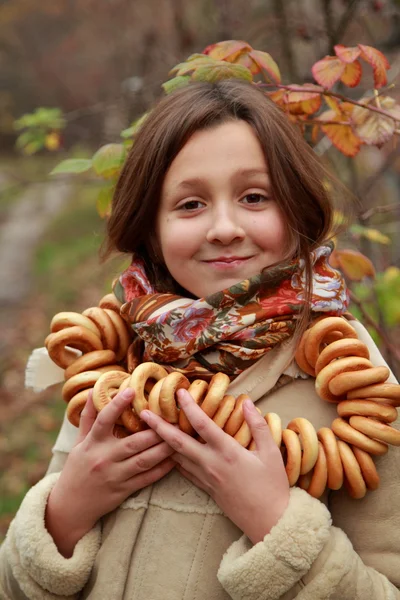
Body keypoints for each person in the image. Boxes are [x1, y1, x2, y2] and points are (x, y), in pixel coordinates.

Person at [0, 79, 399, 600]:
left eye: (254, 197)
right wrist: (65, 515)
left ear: (295, 211)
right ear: (151, 230)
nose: (225, 227)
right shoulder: (114, 360)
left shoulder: (348, 379)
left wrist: (277, 527)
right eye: (190, 205)